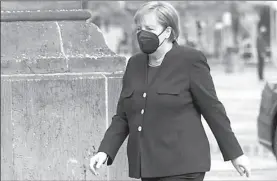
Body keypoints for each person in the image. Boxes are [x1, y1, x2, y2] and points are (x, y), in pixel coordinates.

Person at [89, 2, 251, 181]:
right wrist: (105, 151)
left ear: (167, 32)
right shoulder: (134, 64)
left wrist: (236, 154)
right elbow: (123, 116)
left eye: (149, 28)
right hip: (147, 166)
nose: (143, 33)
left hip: (183, 166)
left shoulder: (190, 60)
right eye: (139, 28)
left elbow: (213, 109)